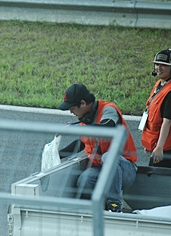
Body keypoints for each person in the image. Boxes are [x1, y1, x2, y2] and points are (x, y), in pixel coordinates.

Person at [57, 83, 138, 212]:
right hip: (103, 170)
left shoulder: (108, 110)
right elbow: (83, 143)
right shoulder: (85, 118)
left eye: (72, 108)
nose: (70, 111)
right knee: (84, 180)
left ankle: (115, 205)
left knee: (108, 156)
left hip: (125, 170)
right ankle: (102, 206)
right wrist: (57, 154)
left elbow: (107, 127)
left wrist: (74, 128)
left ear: (83, 103)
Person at [140, 48, 171, 168]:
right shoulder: (161, 83)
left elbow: (167, 122)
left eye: (163, 65)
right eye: (157, 64)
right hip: (160, 143)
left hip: (167, 146)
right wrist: (151, 145)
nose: (158, 68)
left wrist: (159, 147)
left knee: (156, 181)